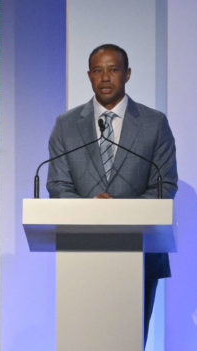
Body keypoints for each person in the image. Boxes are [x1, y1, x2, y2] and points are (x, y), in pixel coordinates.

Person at [45, 42, 178, 326]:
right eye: (98, 70)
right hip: (81, 254)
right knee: (83, 349)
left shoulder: (154, 124)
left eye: (113, 69)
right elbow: (57, 186)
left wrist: (118, 212)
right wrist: (92, 209)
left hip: (140, 256)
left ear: (127, 74)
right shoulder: (66, 125)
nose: (105, 77)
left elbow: (164, 186)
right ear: (89, 75)